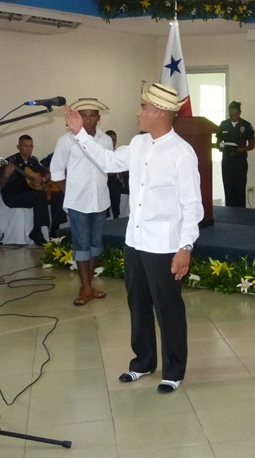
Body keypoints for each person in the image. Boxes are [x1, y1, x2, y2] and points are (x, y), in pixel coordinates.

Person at [63, 82, 203, 394]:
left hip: (164, 245)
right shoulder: (138, 144)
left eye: (143, 107)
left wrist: (185, 246)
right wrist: (80, 133)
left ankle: (174, 370)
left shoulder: (181, 153)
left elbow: (192, 206)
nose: (137, 112)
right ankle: (143, 362)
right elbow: (108, 161)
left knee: (168, 308)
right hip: (136, 242)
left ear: (160, 113)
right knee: (137, 304)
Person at [50, 98, 113, 306]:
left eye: (92, 115)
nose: (88, 120)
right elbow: (56, 171)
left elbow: (109, 165)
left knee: (95, 245)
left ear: (98, 117)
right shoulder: (66, 140)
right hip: (78, 202)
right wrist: (70, 192)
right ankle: (85, 288)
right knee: (82, 244)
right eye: (83, 116)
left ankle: (88, 286)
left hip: (100, 200)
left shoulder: (106, 140)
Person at [0, 135, 52, 246]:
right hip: (12, 196)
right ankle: (37, 231)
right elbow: (1, 184)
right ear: (19, 147)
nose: (28, 149)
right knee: (39, 196)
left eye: (31, 146)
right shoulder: (10, 162)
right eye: (25, 146)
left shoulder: (33, 161)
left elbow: (48, 173)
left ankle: (48, 230)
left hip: (28, 195)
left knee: (48, 196)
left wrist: (42, 179)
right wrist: (6, 175)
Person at [217, 101, 255, 207]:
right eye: (231, 115)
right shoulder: (223, 124)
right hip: (227, 162)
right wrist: (221, 146)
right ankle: (229, 213)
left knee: (240, 190)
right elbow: (218, 143)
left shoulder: (246, 125)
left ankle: (241, 214)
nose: (233, 117)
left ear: (240, 112)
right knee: (228, 189)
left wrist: (241, 149)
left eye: (235, 115)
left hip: (240, 162)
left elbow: (252, 145)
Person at [104, 130, 129, 219]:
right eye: (111, 140)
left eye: (114, 140)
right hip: (108, 187)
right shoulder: (103, 154)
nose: (113, 142)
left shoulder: (119, 153)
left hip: (121, 186)